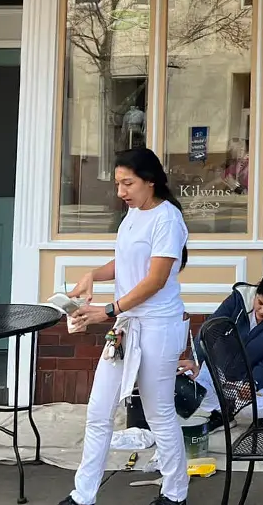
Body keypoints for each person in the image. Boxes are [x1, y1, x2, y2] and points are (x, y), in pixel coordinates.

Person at [60, 148, 190, 505]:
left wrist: (109, 309)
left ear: (151, 181)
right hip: (125, 326)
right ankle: (82, 495)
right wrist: (92, 275)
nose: (121, 192)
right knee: (99, 410)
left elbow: (156, 279)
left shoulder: (168, 219)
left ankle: (175, 492)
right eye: (118, 183)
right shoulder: (132, 215)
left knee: (158, 412)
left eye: (127, 183)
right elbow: (125, 260)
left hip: (157, 327)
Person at [179, 272, 263, 429]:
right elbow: (209, 329)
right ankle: (223, 413)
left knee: (258, 408)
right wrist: (195, 360)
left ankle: (228, 411)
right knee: (187, 381)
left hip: (256, 377)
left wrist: (253, 384)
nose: (262, 310)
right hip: (222, 368)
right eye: (260, 302)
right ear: (256, 293)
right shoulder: (239, 299)